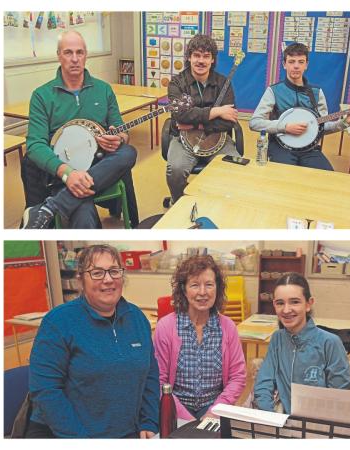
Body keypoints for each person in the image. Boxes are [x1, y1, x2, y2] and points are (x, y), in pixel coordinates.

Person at [27, 244, 159, 438]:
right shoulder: (58, 322)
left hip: (127, 432)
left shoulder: (137, 318)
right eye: (97, 273)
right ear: (81, 280)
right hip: (67, 434)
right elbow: (46, 390)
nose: (108, 279)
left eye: (114, 271)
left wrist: (149, 420)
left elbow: (150, 374)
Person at [21, 31, 137, 229]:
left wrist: (119, 138)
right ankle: (65, 198)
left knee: (128, 152)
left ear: (86, 55)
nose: (75, 59)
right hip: (62, 167)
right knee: (84, 216)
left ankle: (53, 206)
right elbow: (35, 144)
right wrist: (68, 173)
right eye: (68, 52)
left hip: (97, 162)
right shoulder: (41, 95)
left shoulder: (104, 89)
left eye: (79, 52)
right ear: (59, 55)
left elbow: (119, 128)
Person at [153, 255, 246, 421]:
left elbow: (237, 377)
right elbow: (158, 381)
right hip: (175, 409)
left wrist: (214, 413)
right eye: (195, 285)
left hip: (215, 409)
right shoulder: (166, 327)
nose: (202, 292)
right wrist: (186, 420)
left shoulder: (228, 327)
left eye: (209, 285)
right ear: (184, 290)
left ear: (217, 288)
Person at [249, 42, 350, 170]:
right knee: (285, 173)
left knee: (327, 174)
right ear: (284, 64)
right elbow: (254, 123)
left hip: (309, 149)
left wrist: (344, 122)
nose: (296, 66)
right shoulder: (274, 91)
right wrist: (285, 127)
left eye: (301, 62)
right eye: (291, 61)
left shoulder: (316, 92)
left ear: (306, 65)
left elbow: (322, 127)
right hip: (280, 147)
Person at [253, 272, 350, 414]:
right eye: (280, 303)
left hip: (318, 421)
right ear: (274, 305)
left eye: (295, 302)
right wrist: (269, 416)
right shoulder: (277, 338)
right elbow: (264, 380)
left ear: (308, 304)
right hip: (281, 418)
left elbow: (340, 395)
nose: (286, 310)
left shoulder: (330, 343)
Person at [165, 34, 240, 204]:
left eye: (206, 56)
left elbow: (229, 119)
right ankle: (178, 202)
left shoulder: (224, 83)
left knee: (235, 169)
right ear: (189, 57)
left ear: (212, 60)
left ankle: (218, 203)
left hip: (218, 138)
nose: (201, 61)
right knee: (176, 170)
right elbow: (180, 115)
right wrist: (216, 112)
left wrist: (195, 123)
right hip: (182, 138)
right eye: (196, 55)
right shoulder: (176, 83)